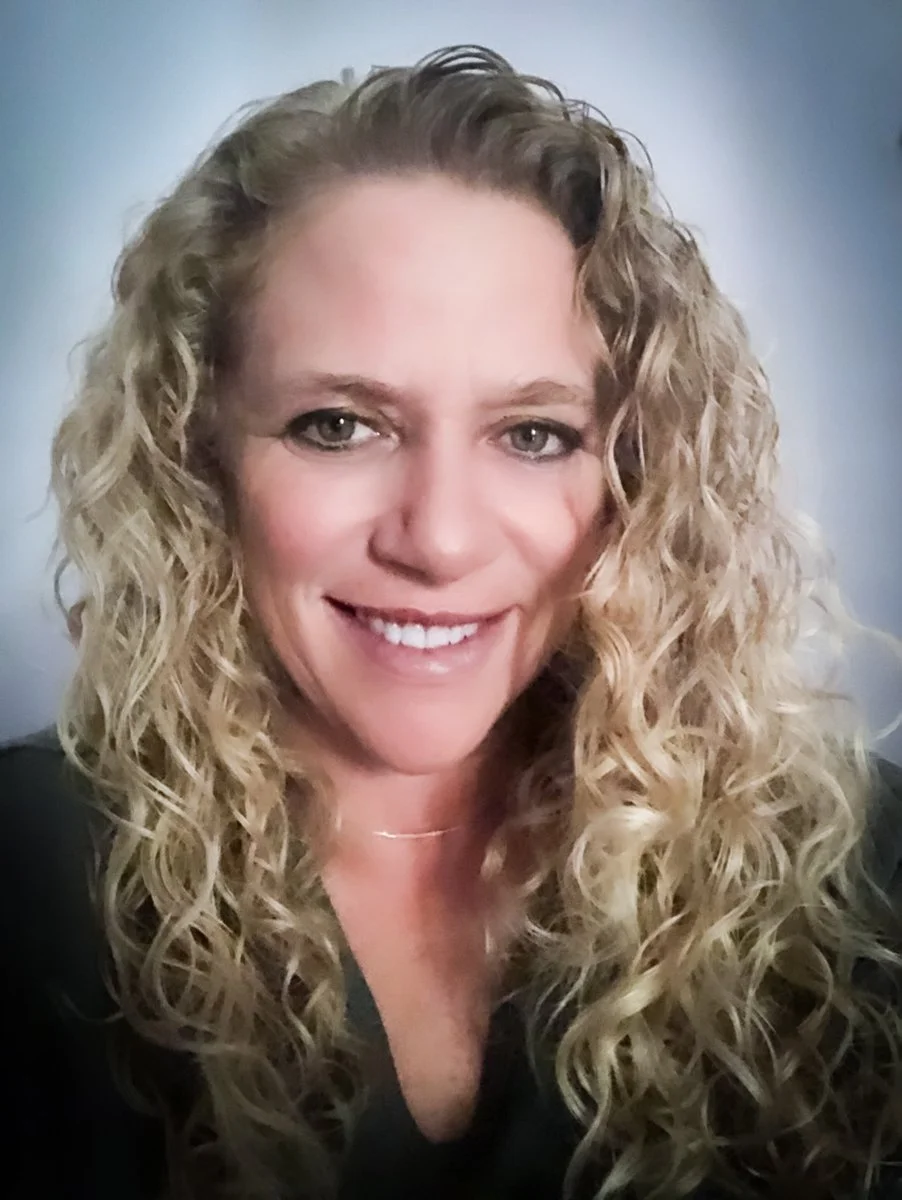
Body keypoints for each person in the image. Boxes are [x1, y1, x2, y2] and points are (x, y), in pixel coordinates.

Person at [1, 43, 901, 1200]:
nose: (439, 539)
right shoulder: (29, 894)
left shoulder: (849, 883)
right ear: (199, 455)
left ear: (632, 473)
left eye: (534, 435)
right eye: (338, 424)